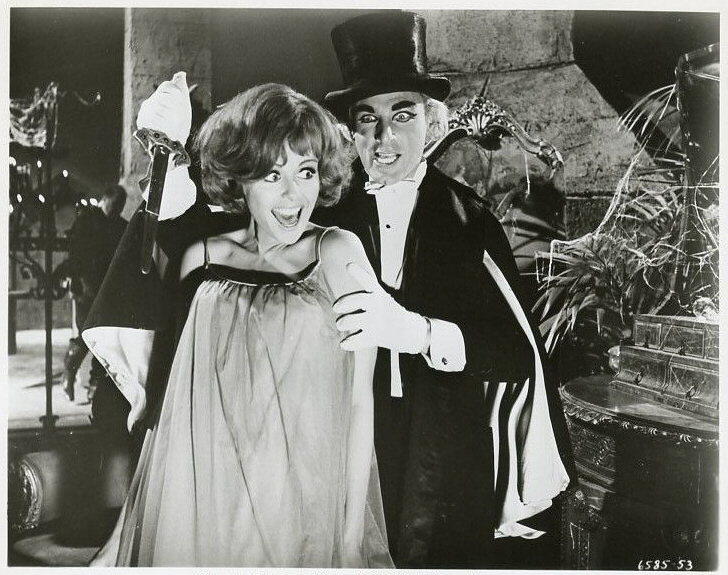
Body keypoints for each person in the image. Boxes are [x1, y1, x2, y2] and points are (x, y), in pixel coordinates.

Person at [82, 77, 392, 567]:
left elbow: (359, 402)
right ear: (240, 177)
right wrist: (124, 536)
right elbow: (169, 405)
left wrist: (350, 542)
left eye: (306, 171)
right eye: (271, 175)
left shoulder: (337, 252)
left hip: (300, 504)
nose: (292, 195)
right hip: (208, 493)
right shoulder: (201, 259)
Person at [315, 11, 577, 567]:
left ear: (430, 122)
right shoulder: (323, 211)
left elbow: (514, 354)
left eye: (401, 115)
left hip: (447, 467)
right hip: (340, 449)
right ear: (350, 131)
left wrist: (420, 334)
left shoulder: (469, 219)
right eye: (367, 119)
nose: (384, 138)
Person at [60, 184, 127, 402]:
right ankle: (69, 371)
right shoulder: (86, 220)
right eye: (114, 205)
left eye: (120, 207)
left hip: (107, 290)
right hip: (86, 288)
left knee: (105, 336)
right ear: (104, 200)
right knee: (86, 333)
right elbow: (74, 253)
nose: (117, 210)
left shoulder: (120, 226)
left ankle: (96, 384)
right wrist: (74, 284)